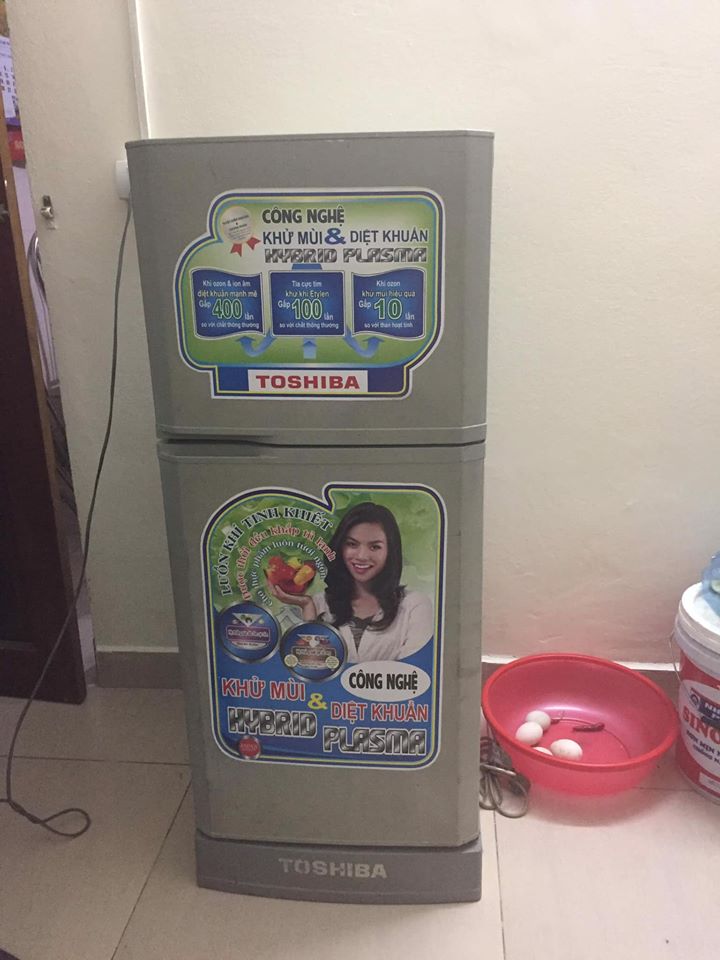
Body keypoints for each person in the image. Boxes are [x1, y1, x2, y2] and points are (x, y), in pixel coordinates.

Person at [269, 502, 433, 662]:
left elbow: (414, 671)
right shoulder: (319, 603)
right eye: (352, 544)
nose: (361, 556)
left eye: (375, 547)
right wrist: (308, 609)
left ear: (390, 551)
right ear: (340, 547)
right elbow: (310, 669)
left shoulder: (414, 605)